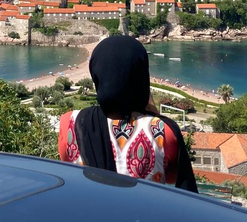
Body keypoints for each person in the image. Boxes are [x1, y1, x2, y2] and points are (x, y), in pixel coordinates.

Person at [58, 36, 198, 192]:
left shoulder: (70, 122)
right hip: (145, 215)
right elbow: (171, 177)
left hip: (88, 214)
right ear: (141, 76)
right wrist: (151, 110)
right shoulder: (163, 130)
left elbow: (68, 164)